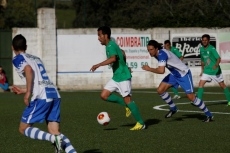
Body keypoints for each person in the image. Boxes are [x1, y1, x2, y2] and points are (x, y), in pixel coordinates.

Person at [11, 34, 77, 153]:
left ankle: (53, 138)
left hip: (42, 96)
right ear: (26, 46)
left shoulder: (17, 58)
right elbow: (40, 80)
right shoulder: (36, 58)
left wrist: (28, 93)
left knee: (23, 128)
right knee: (54, 130)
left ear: (12, 47)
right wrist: (24, 90)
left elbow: (29, 70)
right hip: (54, 93)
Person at [142, 40, 213, 122]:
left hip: (183, 74)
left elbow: (161, 71)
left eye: (151, 50)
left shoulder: (161, 54)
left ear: (156, 48)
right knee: (160, 90)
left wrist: (149, 69)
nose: (149, 52)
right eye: (148, 50)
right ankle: (173, 108)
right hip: (174, 74)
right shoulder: (157, 53)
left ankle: (209, 115)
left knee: (191, 97)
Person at [90, 26, 145, 130]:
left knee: (128, 100)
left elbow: (113, 58)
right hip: (116, 77)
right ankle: (126, 106)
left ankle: (141, 123)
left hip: (123, 77)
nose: (98, 38)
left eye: (99, 35)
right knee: (104, 95)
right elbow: (122, 54)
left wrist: (98, 65)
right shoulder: (110, 45)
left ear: (105, 35)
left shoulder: (110, 45)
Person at [198, 34, 230, 105]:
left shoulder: (212, 48)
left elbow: (218, 58)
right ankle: (198, 101)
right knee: (200, 84)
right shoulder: (201, 49)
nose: (204, 41)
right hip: (207, 71)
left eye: (206, 40)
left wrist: (216, 65)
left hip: (215, 72)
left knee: (222, 85)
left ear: (209, 41)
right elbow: (202, 61)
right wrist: (202, 70)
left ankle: (229, 100)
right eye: (203, 40)